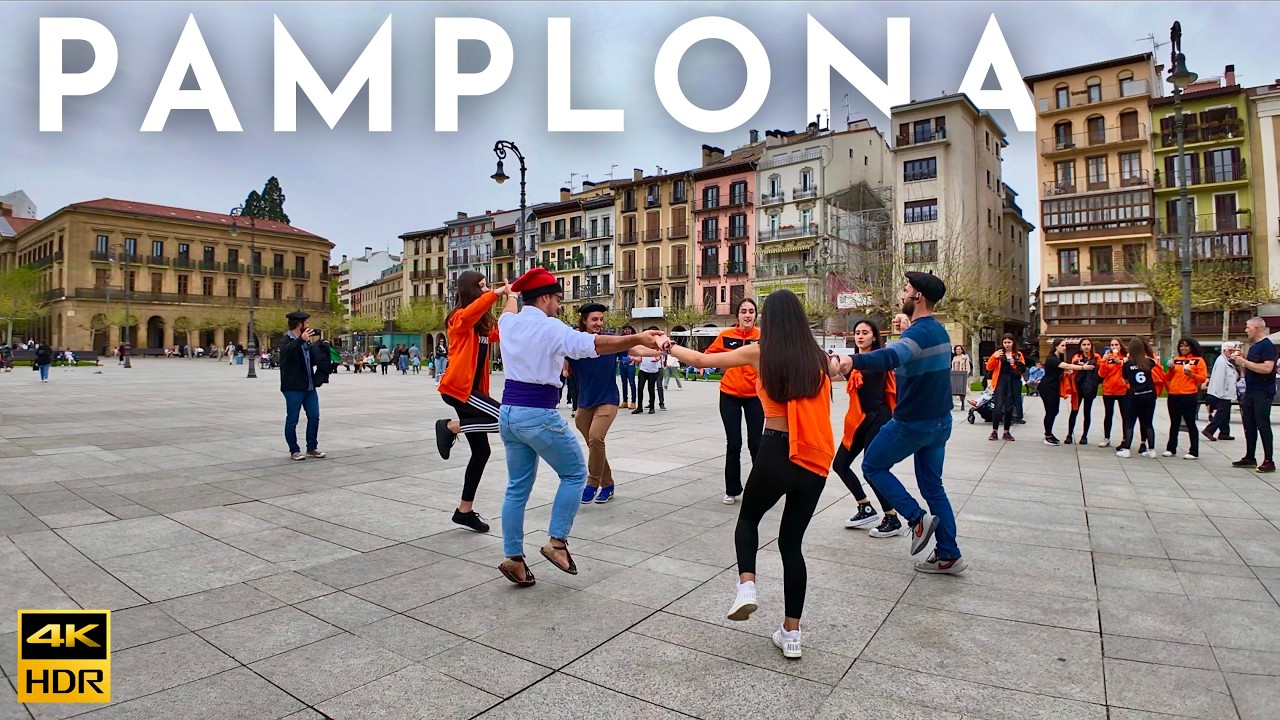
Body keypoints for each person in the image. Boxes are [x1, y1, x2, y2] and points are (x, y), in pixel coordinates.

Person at [661, 289, 837, 659]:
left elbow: (700, 360)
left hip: (775, 449)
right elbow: (840, 370)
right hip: (813, 458)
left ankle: (747, 587)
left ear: (768, 319)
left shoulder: (760, 351)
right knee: (792, 545)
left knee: (749, 519)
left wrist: (666, 344)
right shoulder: (819, 359)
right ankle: (792, 634)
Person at [494, 268, 660, 587]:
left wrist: (510, 294)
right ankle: (556, 543)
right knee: (573, 474)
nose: (559, 305)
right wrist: (637, 338)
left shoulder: (509, 322)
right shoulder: (550, 328)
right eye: (557, 299)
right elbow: (594, 344)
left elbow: (508, 308)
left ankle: (514, 559)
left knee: (516, 487)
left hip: (509, 413)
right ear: (544, 298)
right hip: (538, 412)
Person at [834, 271, 965, 574]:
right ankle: (949, 554)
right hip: (940, 422)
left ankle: (916, 519)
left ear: (917, 296)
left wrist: (854, 360)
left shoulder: (916, 334)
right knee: (934, 487)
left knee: (872, 466)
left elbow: (891, 356)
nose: (902, 294)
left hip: (912, 422)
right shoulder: (939, 331)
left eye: (906, 290)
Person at [435, 270, 514, 533]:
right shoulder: (458, 318)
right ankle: (450, 427)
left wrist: (511, 296)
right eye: (481, 286)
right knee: (508, 418)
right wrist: (496, 294)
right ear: (470, 289)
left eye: (487, 285)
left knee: (482, 452)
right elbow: (472, 312)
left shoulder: (482, 325)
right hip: (458, 389)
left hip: (471, 392)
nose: (486, 289)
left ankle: (464, 511)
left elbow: (505, 330)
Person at [835, 319, 904, 536]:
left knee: (871, 469)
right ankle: (865, 506)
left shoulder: (877, 360)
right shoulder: (855, 361)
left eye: (865, 332)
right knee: (840, 464)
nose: (860, 336)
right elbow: (839, 370)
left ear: (875, 337)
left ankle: (892, 517)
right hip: (859, 420)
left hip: (878, 418)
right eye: (857, 333)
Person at [571, 304, 637, 505]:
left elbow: (634, 346)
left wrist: (657, 349)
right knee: (594, 445)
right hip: (585, 401)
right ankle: (607, 484)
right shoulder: (574, 342)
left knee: (596, 438)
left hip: (608, 398)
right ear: (584, 321)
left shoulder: (610, 341)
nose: (599, 323)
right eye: (594, 319)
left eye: (601, 319)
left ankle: (592, 484)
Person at [707, 298, 763, 504]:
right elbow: (709, 355)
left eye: (751, 311)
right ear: (737, 315)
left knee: (756, 443)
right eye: (743, 311)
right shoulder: (725, 335)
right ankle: (732, 489)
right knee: (734, 443)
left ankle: (759, 489)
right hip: (729, 394)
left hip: (755, 397)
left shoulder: (762, 337)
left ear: (755, 315)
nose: (747, 315)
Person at [1230, 318, 1277, 472]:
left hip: (1262, 391)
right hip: (1250, 390)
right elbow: (1250, 368)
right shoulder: (1253, 347)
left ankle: (1269, 460)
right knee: (1249, 425)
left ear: (1257, 328)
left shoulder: (1267, 346)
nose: (1246, 330)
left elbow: (1267, 368)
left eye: (1248, 327)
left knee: (1262, 424)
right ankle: (1250, 456)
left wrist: (1244, 362)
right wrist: (1240, 361)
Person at [279, 311, 326, 461]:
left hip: (309, 387)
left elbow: (310, 360)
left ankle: (312, 447)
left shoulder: (306, 341)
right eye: (306, 323)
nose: (308, 326)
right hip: (293, 387)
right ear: (299, 325)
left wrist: (321, 347)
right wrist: (300, 340)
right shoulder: (286, 340)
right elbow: (287, 352)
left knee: (314, 416)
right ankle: (294, 450)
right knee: (292, 419)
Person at [1040, 338, 1095, 446]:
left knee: (1055, 411)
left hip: (1054, 388)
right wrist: (1083, 367)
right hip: (1047, 388)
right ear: (1056, 346)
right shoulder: (1051, 358)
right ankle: (1048, 435)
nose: (1064, 348)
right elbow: (1067, 365)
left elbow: (1062, 369)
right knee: (1051, 411)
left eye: (1065, 346)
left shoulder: (1058, 357)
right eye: (1062, 345)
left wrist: (1067, 371)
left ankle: (1048, 432)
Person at [1116, 337, 1163, 459]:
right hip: (1149, 395)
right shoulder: (1148, 362)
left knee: (1130, 423)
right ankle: (1151, 450)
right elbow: (1156, 363)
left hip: (1134, 396)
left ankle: (1126, 449)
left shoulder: (1127, 364)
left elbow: (1125, 380)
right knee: (1148, 423)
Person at [1164, 338, 1207, 459]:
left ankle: (1194, 451)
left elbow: (1203, 378)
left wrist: (1191, 375)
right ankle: (1171, 448)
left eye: (1186, 346)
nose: (1183, 348)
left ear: (1191, 347)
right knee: (1174, 422)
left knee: (1190, 423)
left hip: (1188, 394)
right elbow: (1167, 377)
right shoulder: (1176, 360)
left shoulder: (1198, 361)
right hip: (1174, 394)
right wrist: (1171, 369)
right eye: (1181, 346)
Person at [986, 334, 1026, 441]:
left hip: (1012, 382)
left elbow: (1022, 369)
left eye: (1009, 342)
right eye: (1005, 342)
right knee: (998, 407)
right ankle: (994, 431)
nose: (1007, 345)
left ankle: (1006, 432)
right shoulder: (999, 354)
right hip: (1000, 381)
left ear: (1013, 343)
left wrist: (1014, 363)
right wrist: (994, 357)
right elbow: (989, 367)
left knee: (1009, 407)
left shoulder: (1018, 355)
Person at [1064, 339, 1102, 445]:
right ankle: (1069, 435)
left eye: (1088, 344)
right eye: (1084, 344)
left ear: (1091, 346)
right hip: (1078, 387)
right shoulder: (1076, 357)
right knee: (1074, 411)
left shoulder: (1097, 357)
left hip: (1090, 387)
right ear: (1080, 346)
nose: (1086, 347)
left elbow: (1100, 371)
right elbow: (1072, 369)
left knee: (1087, 412)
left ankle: (1085, 435)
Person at [1096, 338, 1129, 447]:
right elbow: (1101, 374)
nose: (1114, 347)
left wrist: (1119, 362)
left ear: (1120, 346)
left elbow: (1127, 372)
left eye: (1116, 344)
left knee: (1125, 415)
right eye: (1112, 345)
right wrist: (1103, 361)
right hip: (1109, 390)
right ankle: (1106, 437)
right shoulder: (1107, 357)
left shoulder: (1125, 357)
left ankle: (1125, 438)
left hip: (1122, 390)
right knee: (1108, 414)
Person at [1204, 341, 1239, 442]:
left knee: (1226, 413)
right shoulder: (1222, 362)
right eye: (1231, 351)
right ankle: (1209, 430)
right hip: (1222, 393)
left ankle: (1224, 432)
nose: (1232, 353)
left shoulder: (1226, 360)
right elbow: (1219, 379)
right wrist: (1220, 394)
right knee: (1222, 413)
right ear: (1225, 350)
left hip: (1225, 392)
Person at [634, 328, 665, 414]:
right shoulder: (642, 346)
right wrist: (632, 358)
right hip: (643, 370)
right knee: (640, 388)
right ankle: (639, 407)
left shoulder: (657, 345)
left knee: (651, 389)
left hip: (653, 371)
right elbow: (640, 358)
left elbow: (659, 355)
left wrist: (657, 358)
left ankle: (652, 407)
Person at [617, 326, 638, 409]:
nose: (627, 331)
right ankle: (625, 401)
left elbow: (637, 350)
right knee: (624, 383)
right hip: (622, 363)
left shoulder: (634, 340)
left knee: (632, 383)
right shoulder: (621, 339)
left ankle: (633, 402)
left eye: (628, 329)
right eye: (625, 329)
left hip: (630, 364)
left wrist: (633, 361)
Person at [950, 345, 971, 410]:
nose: (958, 350)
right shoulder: (954, 358)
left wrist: (967, 373)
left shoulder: (964, 357)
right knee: (953, 390)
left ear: (962, 350)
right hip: (954, 375)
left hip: (962, 375)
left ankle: (962, 403)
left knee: (961, 391)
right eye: (957, 349)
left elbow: (968, 367)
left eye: (959, 349)